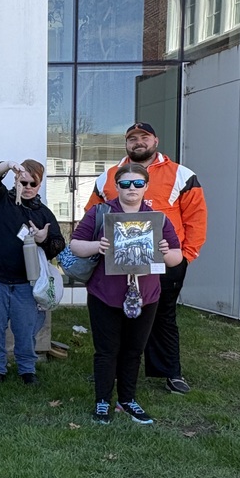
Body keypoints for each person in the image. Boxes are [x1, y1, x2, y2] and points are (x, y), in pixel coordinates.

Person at [86, 122, 207, 395]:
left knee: (162, 317)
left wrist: (185, 256)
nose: (138, 142)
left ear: (155, 140)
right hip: (117, 264)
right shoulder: (107, 177)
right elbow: (92, 216)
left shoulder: (181, 175)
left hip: (164, 262)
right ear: (126, 144)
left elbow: (196, 219)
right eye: (132, 138)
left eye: (144, 137)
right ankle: (110, 374)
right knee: (116, 317)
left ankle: (170, 372)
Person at [71, 163, 183, 424]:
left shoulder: (158, 218)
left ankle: (127, 400)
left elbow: (176, 257)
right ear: (116, 186)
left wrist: (166, 251)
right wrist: (96, 245)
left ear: (146, 186)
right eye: (124, 184)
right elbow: (76, 244)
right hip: (105, 293)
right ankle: (102, 402)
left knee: (134, 350)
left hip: (146, 295)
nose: (131, 189)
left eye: (137, 183)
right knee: (107, 350)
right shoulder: (100, 213)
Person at [0, 159, 65, 385]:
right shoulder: (0, 199)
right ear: (16, 179)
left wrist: (44, 240)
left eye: (33, 183)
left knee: (26, 329)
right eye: (24, 181)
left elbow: (58, 243)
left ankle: (27, 369)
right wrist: (6, 164)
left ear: (40, 184)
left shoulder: (44, 213)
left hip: (28, 282)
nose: (28, 186)